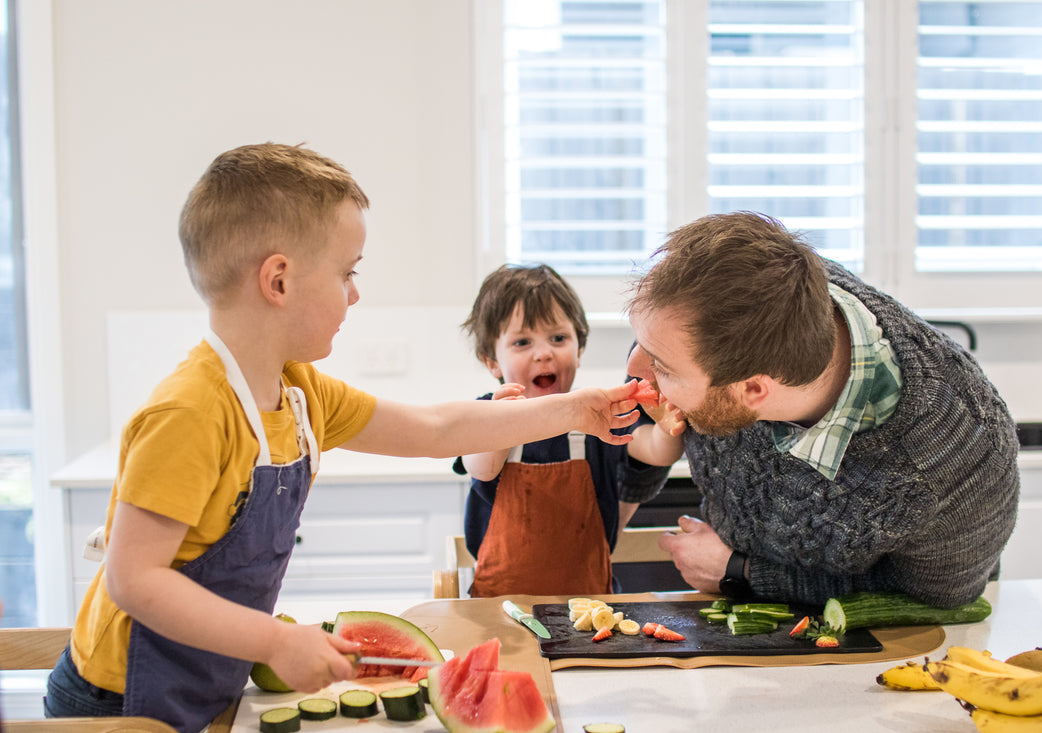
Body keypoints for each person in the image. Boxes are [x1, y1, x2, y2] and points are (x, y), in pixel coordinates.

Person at [44, 143, 646, 733]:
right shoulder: (190, 412)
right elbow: (135, 580)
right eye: (346, 273)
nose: (355, 294)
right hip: (118, 701)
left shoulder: (300, 393)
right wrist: (275, 640)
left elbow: (439, 428)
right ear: (278, 281)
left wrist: (576, 410)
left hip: (205, 681)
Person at [623, 211, 1019, 609]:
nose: (634, 369)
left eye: (661, 366)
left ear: (753, 389)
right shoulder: (752, 295)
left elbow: (933, 599)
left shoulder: (962, 456)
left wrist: (741, 572)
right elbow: (662, 362)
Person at [454, 264, 685, 597]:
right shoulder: (489, 412)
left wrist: (666, 427)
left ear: (578, 350)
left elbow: (656, 451)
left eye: (558, 338)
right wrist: (500, 421)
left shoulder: (597, 413)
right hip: (499, 606)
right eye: (522, 342)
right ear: (492, 362)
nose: (544, 352)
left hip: (592, 604)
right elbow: (482, 468)